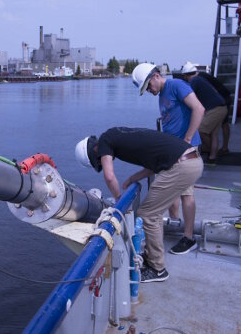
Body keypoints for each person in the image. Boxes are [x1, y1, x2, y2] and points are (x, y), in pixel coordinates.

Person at [75, 127, 203, 282]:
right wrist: (132, 178)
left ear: (94, 151)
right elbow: (153, 165)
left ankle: (158, 269)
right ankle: (151, 257)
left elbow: (109, 177)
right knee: (152, 211)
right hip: (191, 159)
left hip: (182, 165)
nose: (102, 160)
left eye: (99, 159)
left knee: (148, 214)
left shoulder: (105, 141)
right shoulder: (118, 134)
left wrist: (118, 200)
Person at [132, 63, 204, 255]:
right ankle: (175, 226)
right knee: (171, 192)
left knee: (186, 193)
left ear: (156, 76)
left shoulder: (176, 86)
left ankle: (189, 238)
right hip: (173, 151)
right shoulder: (163, 95)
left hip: (185, 150)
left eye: (148, 86)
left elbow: (199, 109)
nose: (148, 91)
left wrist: (187, 139)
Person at [180, 62, 228, 162]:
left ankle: (208, 149)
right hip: (222, 107)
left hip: (215, 109)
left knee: (200, 130)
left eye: (184, 76)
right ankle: (212, 157)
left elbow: (187, 97)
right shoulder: (200, 78)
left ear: (186, 75)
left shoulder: (194, 81)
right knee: (213, 134)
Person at [196, 69, 233, 154]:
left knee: (223, 124)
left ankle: (221, 148)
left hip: (222, 99)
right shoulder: (202, 75)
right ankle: (220, 147)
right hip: (222, 97)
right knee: (220, 125)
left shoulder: (199, 79)